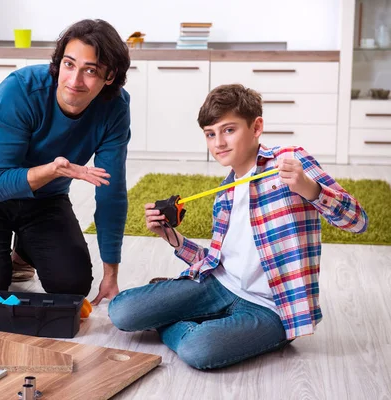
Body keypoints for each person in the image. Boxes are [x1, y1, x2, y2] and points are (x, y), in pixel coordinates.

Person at [108, 84, 369, 370]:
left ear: (256, 127)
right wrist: (174, 239)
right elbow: (219, 260)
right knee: (121, 312)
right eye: (210, 134)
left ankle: (176, 320)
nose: (218, 142)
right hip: (219, 285)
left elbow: (358, 221)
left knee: (199, 350)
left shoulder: (290, 160)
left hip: (271, 308)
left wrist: (310, 188)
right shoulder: (225, 193)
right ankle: (186, 313)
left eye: (228, 130)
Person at [0, 19, 131, 308]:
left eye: (91, 70)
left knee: (71, 287)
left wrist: (111, 274)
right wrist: (52, 169)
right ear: (59, 62)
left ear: (109, 76)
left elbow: (111, 192)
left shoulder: (115, 109)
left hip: (45, 196)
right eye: (69, 64)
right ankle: (6, 243)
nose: (74, 81)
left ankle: (24, 252)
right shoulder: (20, 90)